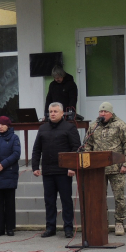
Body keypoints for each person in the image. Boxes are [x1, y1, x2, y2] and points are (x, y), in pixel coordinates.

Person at [82, 101, 126, 236]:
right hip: (98, 169)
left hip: (117, 169)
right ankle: (102, 222)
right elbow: (88, 145)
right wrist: (88, 164)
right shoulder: (94, 126)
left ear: (111, 113)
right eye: (101, 111)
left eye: (105, 112)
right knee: (99, 197)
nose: (102, 114)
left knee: (119, 197)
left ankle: (119, 223)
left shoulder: (120, 125)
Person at [31, 102, 81, 238]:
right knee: (49, 201)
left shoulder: (69, 128)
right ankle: (50, 227)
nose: (52, 114)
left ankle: (68, 228)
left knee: (66, 200)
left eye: (55, 111)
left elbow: (76, 148)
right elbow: (37, 149)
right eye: (50, 111)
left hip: (64, 171)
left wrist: (72, 167)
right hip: (47, 171)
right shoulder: (43, 128)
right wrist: (35, 166)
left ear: (62, 113)